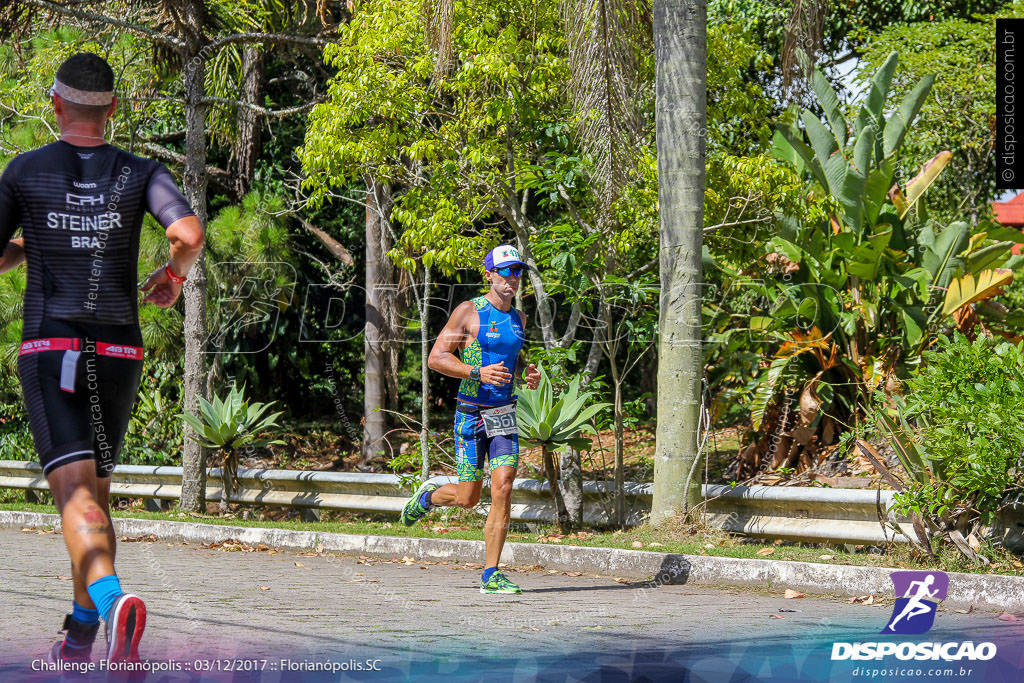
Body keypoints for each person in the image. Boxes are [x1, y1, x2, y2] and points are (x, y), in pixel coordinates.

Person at [0, 53, 204, 665]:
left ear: (56, 105)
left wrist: (32, 247)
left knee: (74, 498)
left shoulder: (25, 171)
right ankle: (83, 638)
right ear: (113, 108)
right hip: (117, 351)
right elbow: (188, 236)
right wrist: (173, 277)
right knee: (96, 497)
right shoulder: (144, 171)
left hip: (53, 345)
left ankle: (114, 603)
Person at [400, 244, 541, 594]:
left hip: (504, 413)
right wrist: (477, 372)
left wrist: (528, 375)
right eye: (506, 272)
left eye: (518, 272)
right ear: (489, 275)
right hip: (470, 414)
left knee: (504, 487)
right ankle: (427, 498)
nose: (512, 279)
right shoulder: (468, 311)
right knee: (467, 499)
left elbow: (512, 363)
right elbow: (436, 358)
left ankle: (491, 573)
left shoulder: (519, 318)